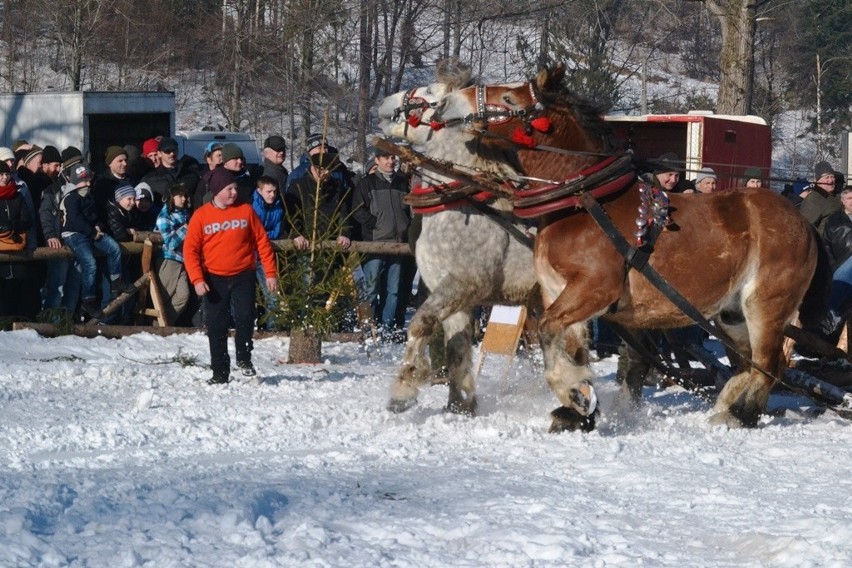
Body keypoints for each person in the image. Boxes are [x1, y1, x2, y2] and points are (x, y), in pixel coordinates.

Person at [183, 168, 278, 384]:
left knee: (245, 317)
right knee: (217, 325)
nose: (234, 192)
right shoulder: (201, 216)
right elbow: (190, 251)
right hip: (213, 278)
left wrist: (270, 273)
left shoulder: (245, 211)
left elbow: (262, 242)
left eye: (235, 188)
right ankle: (219, 371)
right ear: (217, 191)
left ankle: (244, 357)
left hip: (243, 273)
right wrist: (197, 279)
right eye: (229, 189)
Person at [58, 163, 134, 319]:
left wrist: (98, 224)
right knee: (89, 262)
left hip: (90, 231)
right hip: (74, 233)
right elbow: (76, 220)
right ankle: (88, 299)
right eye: (83, 181)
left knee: (114, 248)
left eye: (88, 180)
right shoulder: (71, 198)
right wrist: (92, 232)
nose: (87, 184)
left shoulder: (89, 196)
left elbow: (92, 214)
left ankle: (115, 279)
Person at [351, 147, 412, 339]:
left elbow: (409, 209)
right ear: (377, 160)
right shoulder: (366, 183)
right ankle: (368, 329)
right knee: (371, 289)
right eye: (386, 157)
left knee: (393, 291)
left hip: (398, 244)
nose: (390, 161)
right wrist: (374, 224)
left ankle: (387, 329)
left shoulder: (402, 182)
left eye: (393, 157)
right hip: (374, 243)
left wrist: (407, 228)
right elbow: (358, 210)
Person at [40, 148, 84, 312]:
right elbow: (45, 214)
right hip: (60, 243)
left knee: (74, 288)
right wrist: (50, 235)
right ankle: (51, 325)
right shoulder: (52, 190)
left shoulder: (84, 188)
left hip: (79, 242)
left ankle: (68, 325)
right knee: (57, 288)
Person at [285, 149, 352, 250]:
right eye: (322, 169)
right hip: (305, 245)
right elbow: (291, 213)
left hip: (331, 245)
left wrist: (344, 233)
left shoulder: (337, 189)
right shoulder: (298, 186)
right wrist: (296, 234)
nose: (326, 173)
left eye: (329, 170)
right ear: (313, 168)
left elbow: (343, 213)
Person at [815, 186, 852, 341]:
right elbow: (826, 246)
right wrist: (831, 266)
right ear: (842, 201)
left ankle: (829, 311)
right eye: (850, 198)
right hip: (839, 265)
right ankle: (828, 315)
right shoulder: (834, 220)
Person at [155, 183, 193, 325]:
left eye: (184, 195)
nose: (183, 199)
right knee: (163, 296)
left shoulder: (185, 214)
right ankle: (152, 324)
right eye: (179, 196)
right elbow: (170, 243)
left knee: (183, 296)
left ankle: (163, 323)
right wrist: (185, 229)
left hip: (182, 259)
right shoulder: (165, 216)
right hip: (168, 259)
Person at [251, 175, 285, 330]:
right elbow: (252, 231)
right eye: (268, 191)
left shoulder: (278, 206)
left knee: (272, 294)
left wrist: (263, 236)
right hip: (250, 255)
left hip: (265, 256)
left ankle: (273, 328)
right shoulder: (253, 206)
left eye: (274, 191)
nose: (272, 195)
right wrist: (262, 235)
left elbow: (277, 230)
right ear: (259, 191)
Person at [0, 160, 33, 318]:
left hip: (18, 248)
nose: (4, 177)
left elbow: (27, 220)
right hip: (1, 251)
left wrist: (13, 225)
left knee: (19, 289)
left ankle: (17, 323)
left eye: (6, 174)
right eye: (0, 174)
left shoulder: (18, 196)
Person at [140, 136, 200, 204]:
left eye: (174, 150)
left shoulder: (191, 176)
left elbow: (198, 200)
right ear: (159, 153)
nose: (172, 154)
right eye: (167, 151)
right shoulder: (149, 179)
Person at [800, 161, 841, 236]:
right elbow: (804, 228)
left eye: (832, 176)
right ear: (818, 181)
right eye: (827, 177)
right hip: (825, 245)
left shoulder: (835, 195)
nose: (831, 180)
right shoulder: (814, 199)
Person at [93, 146, 131, 224]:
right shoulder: (102, 182)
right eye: (120, 161)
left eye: (125, 160)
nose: (125, 163)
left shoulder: (132, 179)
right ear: (110, 163)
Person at [261, 135, 289, 201]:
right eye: (277, 149)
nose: (281, 152)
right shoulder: (269, 174)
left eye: (283, 149)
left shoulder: (279, 170)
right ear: (266, 153)